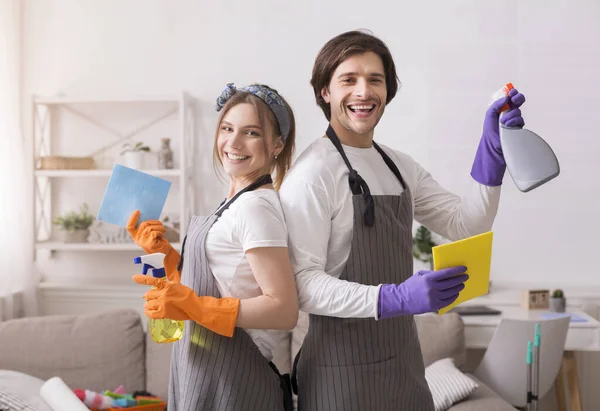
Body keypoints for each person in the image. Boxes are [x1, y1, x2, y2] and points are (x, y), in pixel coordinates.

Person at [279, 30, 526, 410]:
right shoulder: (311, 175)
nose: (363, 92)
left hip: (405, 369)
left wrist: (492, 152)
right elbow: (302, 285)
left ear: (388, 91)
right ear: (325, 91)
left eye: (374, 80)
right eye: (349, 80)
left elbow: (467, 225)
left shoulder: (398, 167)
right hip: (339, 374)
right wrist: (393, 297)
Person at [127, 83, 299, 411]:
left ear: (277, 145)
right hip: (203, 368)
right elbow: (214, 281)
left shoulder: (256, 207)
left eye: (251, 132)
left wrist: (194, 306)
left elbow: (284, 309)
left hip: (235, 380)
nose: (233, 143)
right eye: (227, 128)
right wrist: (162, 253)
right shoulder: (232, 203)